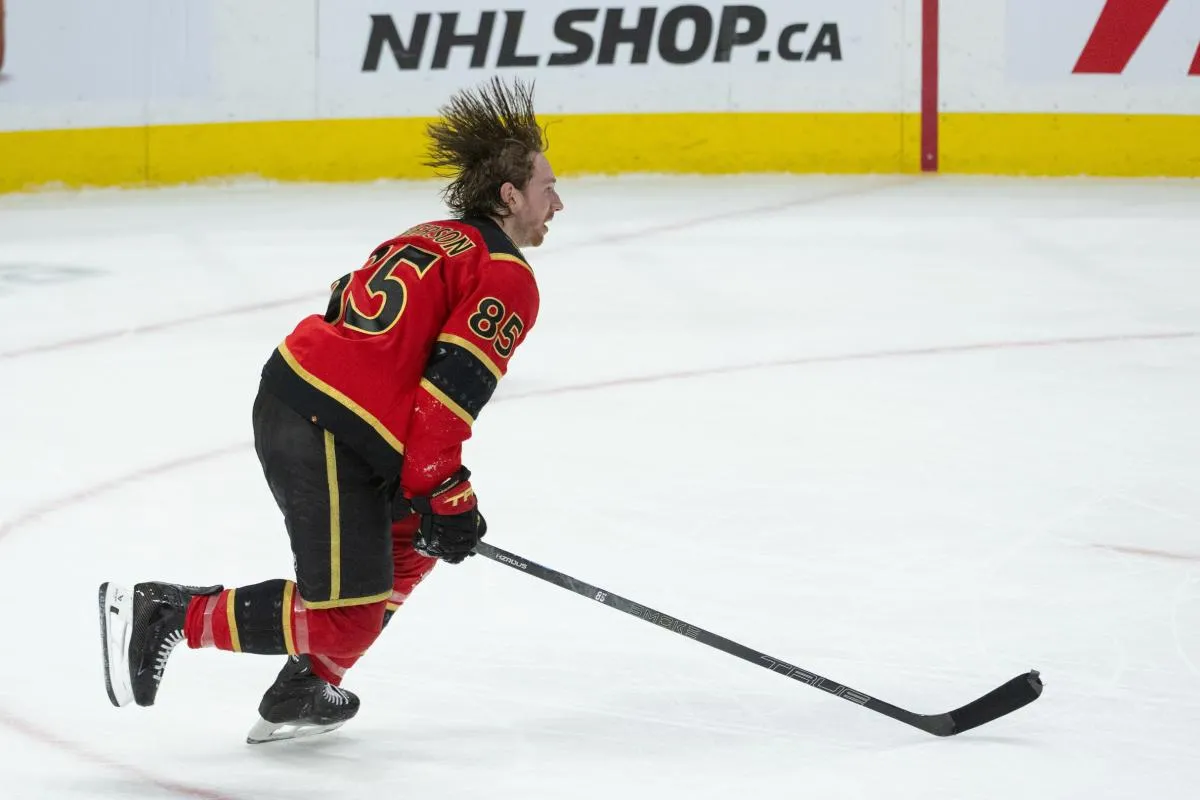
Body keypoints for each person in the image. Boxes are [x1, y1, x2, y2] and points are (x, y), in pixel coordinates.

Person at [98, 76, 563, 744]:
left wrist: (430, 502)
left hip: (311, 404)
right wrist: (446, 493)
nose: (558, 203)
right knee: (347, 612)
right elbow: (443, 404)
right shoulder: (506, 275)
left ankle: (304, 685)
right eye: (548, 188)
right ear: (510, 195)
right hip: (328, 427)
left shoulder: (433, 235)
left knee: (412, 542)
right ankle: (171, 613)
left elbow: (347, 296)